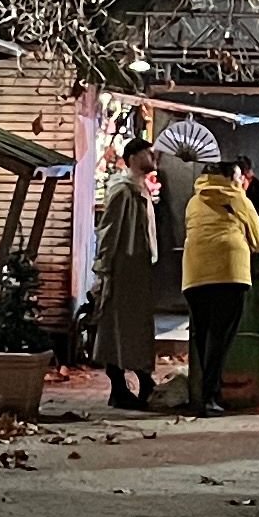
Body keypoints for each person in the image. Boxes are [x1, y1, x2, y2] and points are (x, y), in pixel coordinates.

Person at [178, 154, 259, 416]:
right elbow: (257, 236)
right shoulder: (236, 197)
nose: (242, 182)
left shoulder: (194, 200)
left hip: (195, 273)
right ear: (231, 178)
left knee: (204, 336)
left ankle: (205, 394)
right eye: (240, 177)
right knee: (221, 337)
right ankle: (209, 396)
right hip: (229, 272)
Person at [90, 143, 167, 409]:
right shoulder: (123, 191)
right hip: (123, 269)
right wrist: (103, 268)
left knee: (133, 328)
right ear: (133, 158)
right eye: (147, 153)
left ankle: (140, 381)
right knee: (117, 327)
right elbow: (109, 231)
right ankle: (123, 384)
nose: (152, 157)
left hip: (138, 268)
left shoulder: (140, 189)